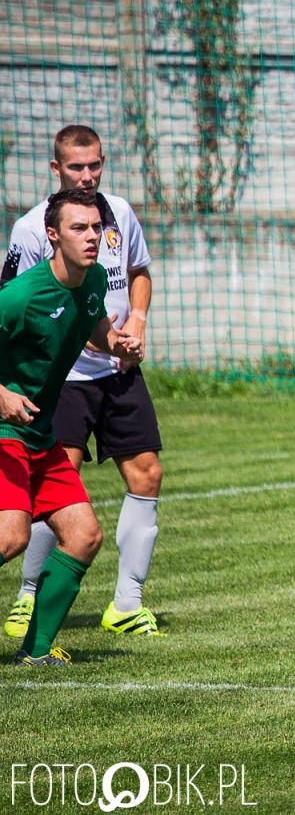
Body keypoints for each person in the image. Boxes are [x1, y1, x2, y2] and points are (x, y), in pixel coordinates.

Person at [4, 124, 164, 638]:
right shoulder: (30, 235)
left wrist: (130, 330)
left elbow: (132, 279)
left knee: (139, 480)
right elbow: (24, 306)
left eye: (95, 164)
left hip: (107, 376)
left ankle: (122, 606)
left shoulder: (115, 220)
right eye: (76, 166)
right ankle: (29, 597)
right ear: (57, 169)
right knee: (35, 512)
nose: (87, 175)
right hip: (54, 385)